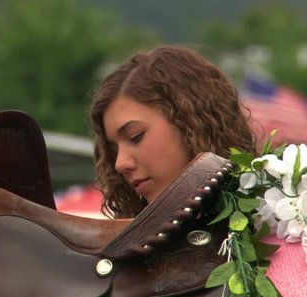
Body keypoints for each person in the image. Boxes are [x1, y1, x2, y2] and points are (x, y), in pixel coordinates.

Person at [89, 45, 258, 218]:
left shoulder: (278, 224)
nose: (120, 164)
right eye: (114, 151)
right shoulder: (126, 244)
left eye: (135, 137)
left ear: (190, 121)